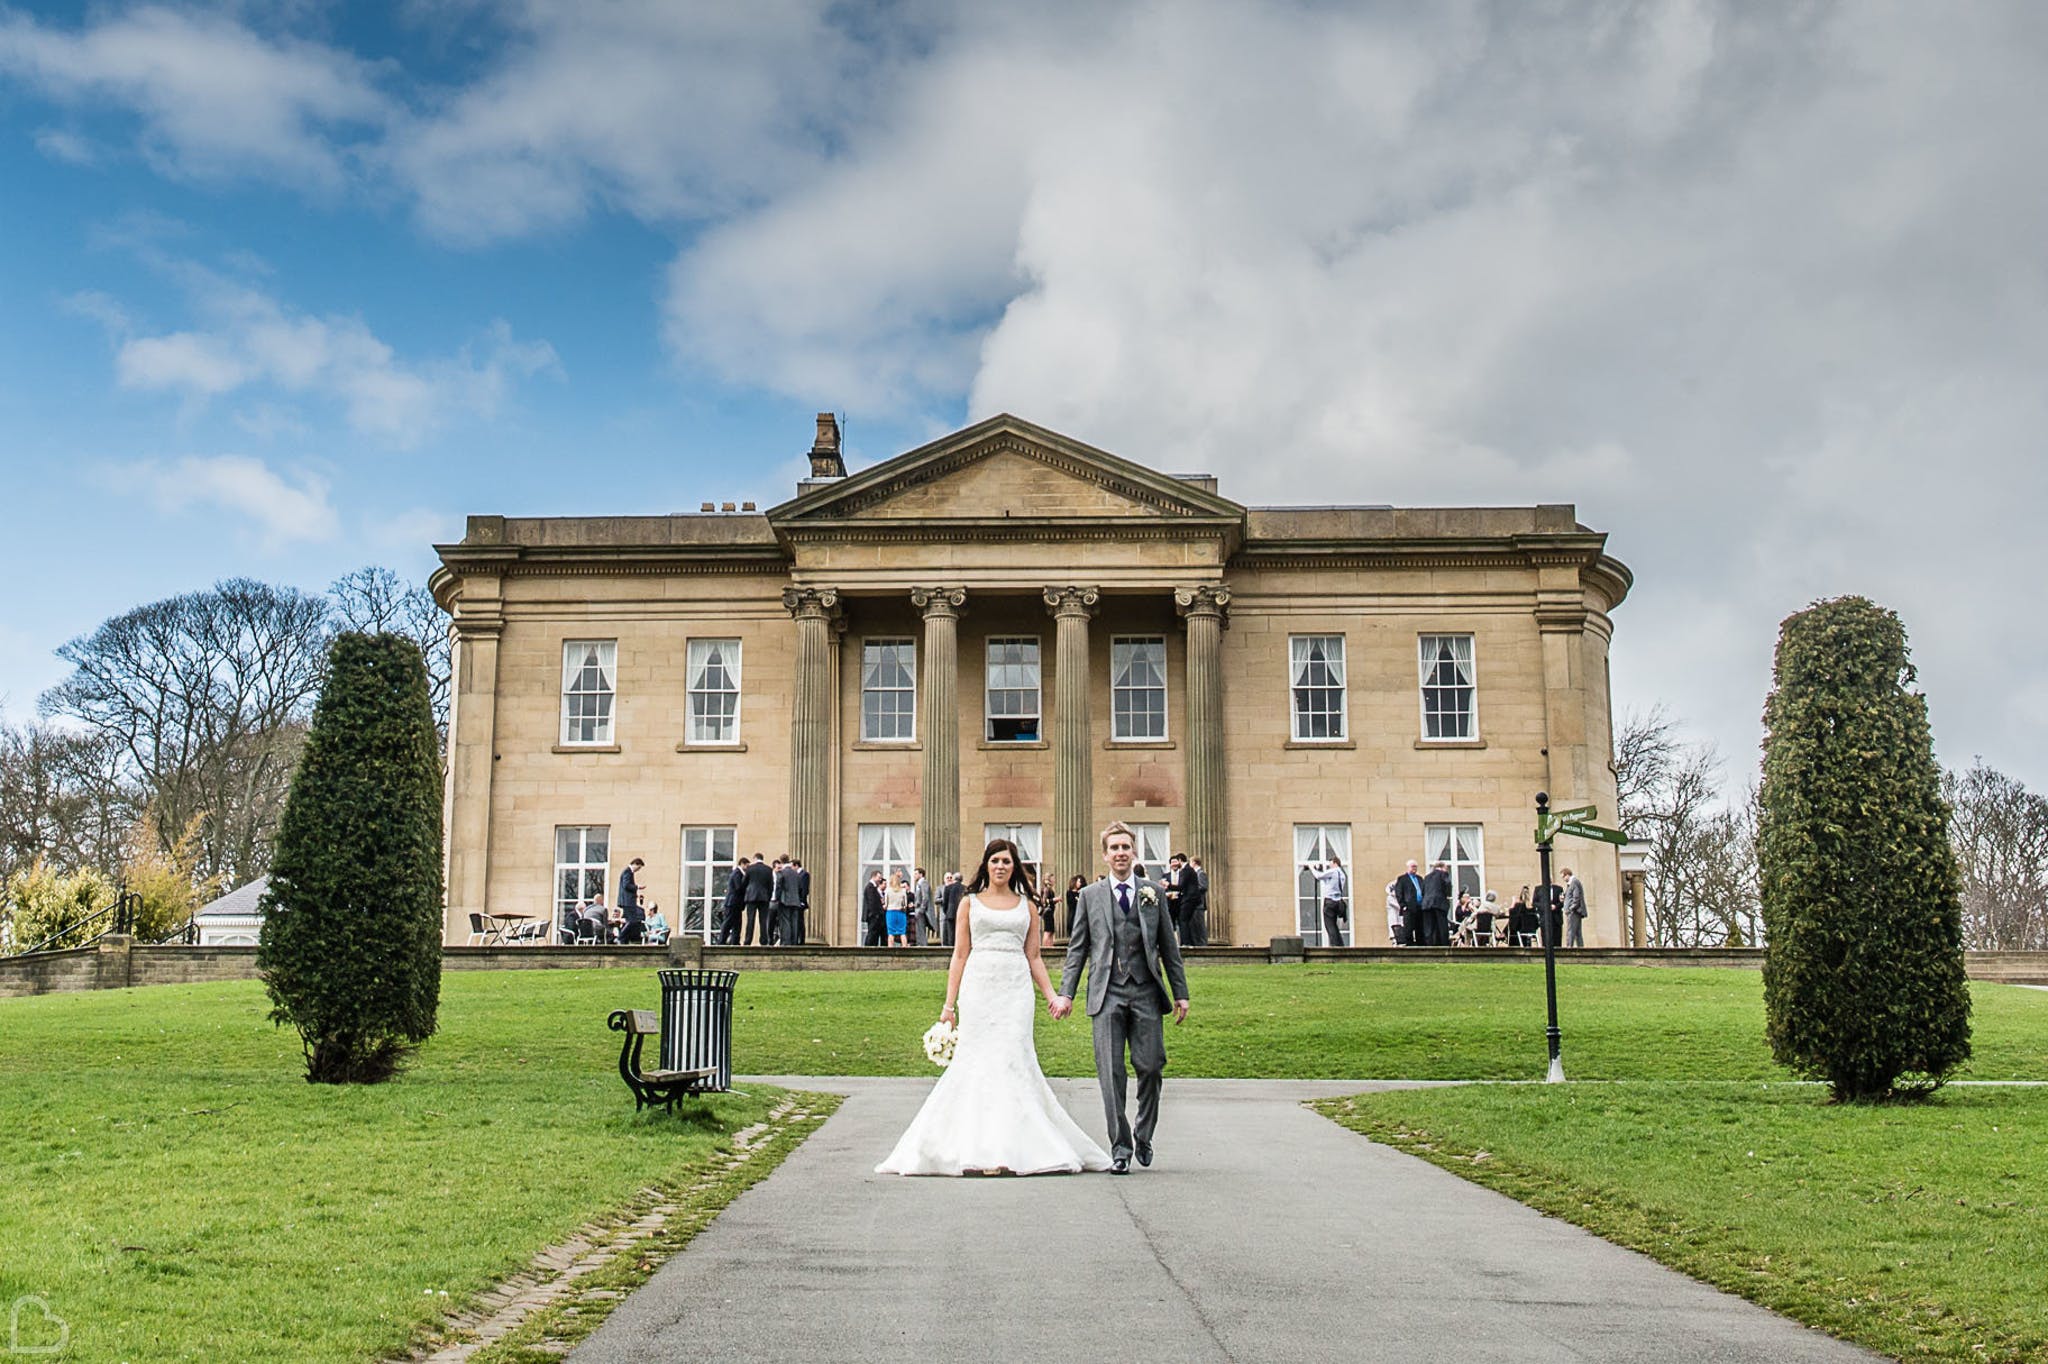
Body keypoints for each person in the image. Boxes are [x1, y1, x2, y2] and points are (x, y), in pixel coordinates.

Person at [877, 838, 1110, 1176]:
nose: (1001, 866)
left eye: (1007, 861)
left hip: (1015, 990)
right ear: (986, 865)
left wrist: (1052, 996)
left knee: (1013, 1059)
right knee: (978, 1063)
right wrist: (948, 1006)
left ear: (1015, 867)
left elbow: (1034, 957)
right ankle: (979, 1148)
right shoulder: (969, 904)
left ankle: (1012, 1149)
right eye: (995, 860)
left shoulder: (1027, 906)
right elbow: (959, 955)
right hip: (979, 987)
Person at [1050, 820, 1192, 1176]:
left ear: (1133, 852)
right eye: (1114, 848)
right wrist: (1066, 993)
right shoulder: (1089, 896)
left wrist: (1181, 994)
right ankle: (1121, 1146)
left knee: (1151, 1067)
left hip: (1145, 990)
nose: (1120, 853)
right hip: (1106, 992)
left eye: (1125, 847)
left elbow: (1168, 948)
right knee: (1111, 1073)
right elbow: (1078, 949)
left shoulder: (1152, 893)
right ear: (1105, 854)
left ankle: (1143, 1133)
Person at [1314, 855, 1349, 947]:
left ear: (1335, 863)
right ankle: (1340, 945)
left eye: (1330, 863)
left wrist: (1311, 868)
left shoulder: (1333, 871)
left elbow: (1318, 876)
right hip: (1338, 902)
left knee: (1329, 925)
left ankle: (1334, 946)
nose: (1330, 866)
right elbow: (1329, 883)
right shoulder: (1342, 874)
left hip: (1329, 901)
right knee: (1334, 925)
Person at [1416, 860, 1453, 947]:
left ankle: (1429, 944)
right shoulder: (1443, 874)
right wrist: (1448, 895)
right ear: (1442, 867)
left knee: (1428, 927)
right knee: (1442, 925)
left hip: (1426, 904)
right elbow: (1447, 885)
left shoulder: (1427, 877)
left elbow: (1423, 891)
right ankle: (1444, 945)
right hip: (1439, 902)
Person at [742, 851, 774, 946]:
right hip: (764, 897)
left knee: (750, 920)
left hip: (751, 897)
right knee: (763, 920)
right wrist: (768, 896)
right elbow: (771, 885)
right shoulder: (768, 869)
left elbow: (744, 883)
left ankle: (748, 940)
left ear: (755, 858)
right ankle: (764, 940)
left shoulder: (750, 869)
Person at [773, 854, 804, 947]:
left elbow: (778, 887)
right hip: (796, 900)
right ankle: (794, 941)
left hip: (784, 900)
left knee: (785, 921)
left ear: (781, 861)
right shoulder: (796, 873)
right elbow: (800, 888)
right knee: (794, 922)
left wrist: (777, 899)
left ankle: (786, 942)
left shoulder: (781, 873)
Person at [1393, 860, 1425, 945]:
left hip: (1420, 907)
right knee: (1408, 928)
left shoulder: (1420, 878)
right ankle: (1410, 946)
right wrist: (1403, 905)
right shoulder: (1402, 879)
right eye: (1412, 866)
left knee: (1420, 928)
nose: (1414, 868)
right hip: (1408, 908)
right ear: (1408, 867)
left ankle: (1420, 946)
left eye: (1415, 866)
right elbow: (1398, 892)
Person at [617, 857, 646, 944]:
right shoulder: (627, 872)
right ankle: (620, 937)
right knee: (632, 920)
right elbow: (626, 885)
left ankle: (623, 939)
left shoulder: (628, 872)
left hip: (627, 901)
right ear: (635, 864)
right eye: (639, 867)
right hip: (627, 901)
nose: (638, 870)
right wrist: (637, 887)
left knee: (630, 920)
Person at [720, 856, 748, 945]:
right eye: (747, 865)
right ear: (742, 864)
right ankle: (722, 941)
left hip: (736, 904)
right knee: (728, 923)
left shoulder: (739, 873)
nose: (747, 868)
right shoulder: (737, 873)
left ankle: (735, 941)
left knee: (737, 924)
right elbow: (738, 887)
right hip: (733, 903)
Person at [1562, 868, 1587, 948]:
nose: (1563, 879)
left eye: (1563, 877)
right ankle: (1580, 947)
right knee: (1577, 932)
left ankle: (1569, 947)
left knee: (1571, 931)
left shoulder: (1574, 882)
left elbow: (1576, 897)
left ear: (1567, 875)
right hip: (1575, 911)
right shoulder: (1572, 883)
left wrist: (1571, 908)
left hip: (1574, 912)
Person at [861, 871, 888, 947]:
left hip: (874, 915)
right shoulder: (870, 887)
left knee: (874, 934)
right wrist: (877, 913)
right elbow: (872, 903)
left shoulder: (872, 887)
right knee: (872, 934)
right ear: (874, 876)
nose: (880, 879)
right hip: (873, 916)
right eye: (879, 877)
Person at [885, 871, 910, 947]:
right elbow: (905, 904)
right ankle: (904, 948)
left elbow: (886, 904)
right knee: (902, 932)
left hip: (890, 912)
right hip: (900, 912)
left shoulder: (888, 890)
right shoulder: (903, 891)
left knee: (891, 933)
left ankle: (890, 950)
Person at [940, 871, 964, 946]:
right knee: (961, 934)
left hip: (950, 914)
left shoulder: (948, 888)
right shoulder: (965, 888)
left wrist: (947, 912)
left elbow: (945, 903)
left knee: (951, 935)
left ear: (954, 879)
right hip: (962, 914)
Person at [913, 867, 935, 947]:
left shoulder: (923, 883)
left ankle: (922, 945)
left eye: (916, 874)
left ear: (921, 874)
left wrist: (921, 909)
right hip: (918, 908)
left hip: (920, 910)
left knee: (920, 929)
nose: (914, 875)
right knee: (918, 929)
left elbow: (925, 897)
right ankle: (920, 944)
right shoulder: (919, 883)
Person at [793, 857, 811, 945]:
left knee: (800, 921)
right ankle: (797, 939)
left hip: (800, 901)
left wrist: (802, 901)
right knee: (797, 921)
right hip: (796, 901)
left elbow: (805, 889)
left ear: (796, 865)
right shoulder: (797, 874)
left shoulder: (804, 874)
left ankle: (801, 940)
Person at [1385, 878, 1406, 946]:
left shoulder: (1398, 898)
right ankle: (1395, 941)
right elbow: (1398, 906)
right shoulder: (1390, 898)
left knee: (1401, 927)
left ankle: (1400, 941)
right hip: (1393, 916)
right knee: (1394, 928)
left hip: (1399, 915)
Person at [1063, 875, 1085, 940]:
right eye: (1078, 882)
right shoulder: (1069, 893)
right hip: (1073, 914)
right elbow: (1071, 904)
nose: (1080, 883)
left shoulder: (1080, 892)